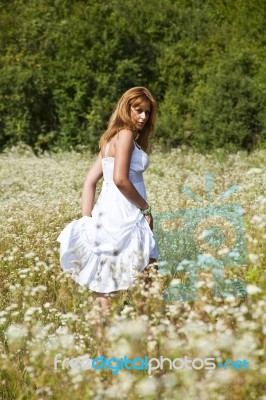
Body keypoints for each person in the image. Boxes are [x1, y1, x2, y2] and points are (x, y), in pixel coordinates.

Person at [57, 87, 158, 312]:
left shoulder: (111, 138)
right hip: (127, 214)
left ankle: (106, 346)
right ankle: (145, 339)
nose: (143, 116)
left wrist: (87, 218)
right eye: (138, 110)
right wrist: (145, 208)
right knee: (147, 278)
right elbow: (120, 179)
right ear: (126, 108)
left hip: (107, 213)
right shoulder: (126, 135)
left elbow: (89, 182)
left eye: (147, 112)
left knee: (105, 283)